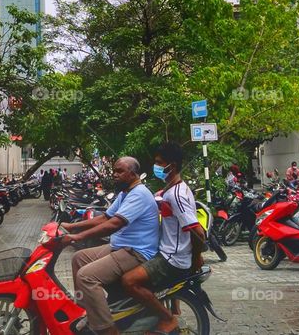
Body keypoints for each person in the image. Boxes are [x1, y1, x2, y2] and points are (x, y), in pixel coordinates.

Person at [61, 157, 159, 335]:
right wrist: (72, 227)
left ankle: (107, 329)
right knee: (79, 258)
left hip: (136, 252)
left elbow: (114, 224)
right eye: (114, 171)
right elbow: (105, 217)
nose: (114, 175)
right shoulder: (125, 193)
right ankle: (88, 311)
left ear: (133, 174)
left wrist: (77, 237)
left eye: (119, 171)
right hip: (120, 247)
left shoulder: (139, 194)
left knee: (86, 277)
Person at [120, 144, 205, 335]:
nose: (155, 166)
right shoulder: (171, 188)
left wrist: (196, 257)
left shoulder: (176, 195)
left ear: (171, 166)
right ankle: (168, 310)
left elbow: (198, 232)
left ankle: (167, 319)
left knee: (128, 281)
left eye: (159, 163)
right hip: (168, 252)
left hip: (171, 259)